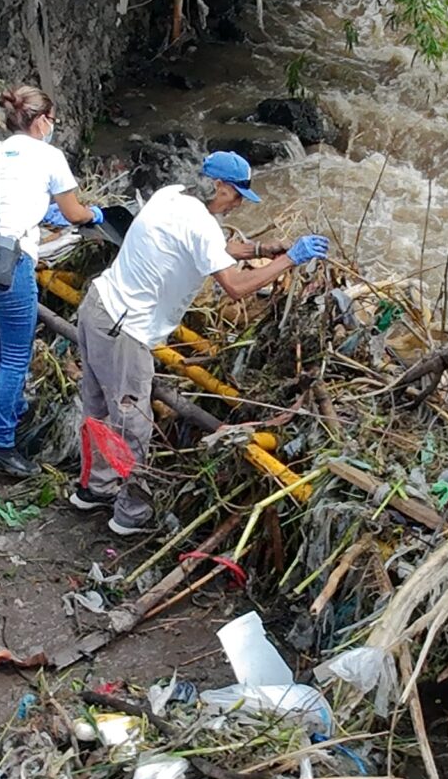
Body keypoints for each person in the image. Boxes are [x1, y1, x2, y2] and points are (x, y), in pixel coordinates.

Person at [71, 151, 326, 535]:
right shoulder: (203, 226)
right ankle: (130, 515)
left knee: (98, 410)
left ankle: (94, 489)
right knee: (134, 425)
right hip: (125, 331)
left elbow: (206, 249)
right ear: (220, 187)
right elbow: (237, 287)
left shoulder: (170, 196)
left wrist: (262, 250)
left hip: (97, 308)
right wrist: (291, 258)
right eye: (238, 194)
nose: (239, 203)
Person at [0, 86, 99, 477]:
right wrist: (92, 214)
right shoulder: (49, 155)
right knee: (16, 355)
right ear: (42, 120)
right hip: (8, 258)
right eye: (53, 121)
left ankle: (8, 415)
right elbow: (73, 211)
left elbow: (10, 199)